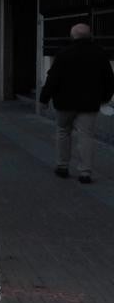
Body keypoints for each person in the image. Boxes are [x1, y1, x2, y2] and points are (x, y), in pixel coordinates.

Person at [39, 23, 114, 183]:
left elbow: (52, 79)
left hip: (64, 103)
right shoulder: (100, 54)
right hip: (89, 104)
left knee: (63, 132)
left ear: (72, 36)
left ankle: (62, 166)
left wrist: (44, 99)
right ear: (90, 36)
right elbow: (109, 79)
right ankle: (85, 173)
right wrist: (106, 97)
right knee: (86, 137)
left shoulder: (63, 53)